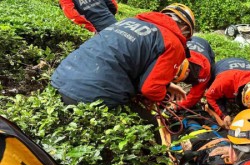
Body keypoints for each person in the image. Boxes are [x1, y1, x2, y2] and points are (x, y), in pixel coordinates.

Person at [52, 3, 195, 109]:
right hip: (90, 96)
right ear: (184, 29)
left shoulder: (129, 21)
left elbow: (126, 57)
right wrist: (162, 97)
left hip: (60, 79)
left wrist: (168, 85)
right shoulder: (174, 42)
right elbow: (150, 89)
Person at [175, 36, 216, 110]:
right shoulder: (176, 56)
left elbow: (195, 94)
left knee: (210, 80)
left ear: (187, 71)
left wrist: (178, 106)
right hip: (191, 41)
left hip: (204, 45)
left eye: (180, 79)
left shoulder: (204, 69)